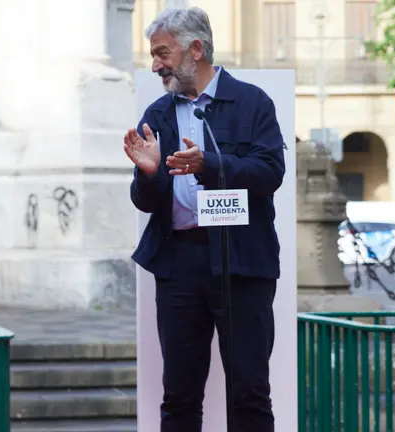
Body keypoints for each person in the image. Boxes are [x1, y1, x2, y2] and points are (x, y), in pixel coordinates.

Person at [124, 7, 285, 432]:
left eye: (163, 53)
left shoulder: (252, 102)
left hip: (242, 263)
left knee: (249, 392)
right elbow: (145, 201)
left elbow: (270, 172)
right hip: (179, 265)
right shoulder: (157, 113)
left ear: (196, 49)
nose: (155, 64)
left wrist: (207, 164)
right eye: (154, 55)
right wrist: (149, 173)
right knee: (179, 393)